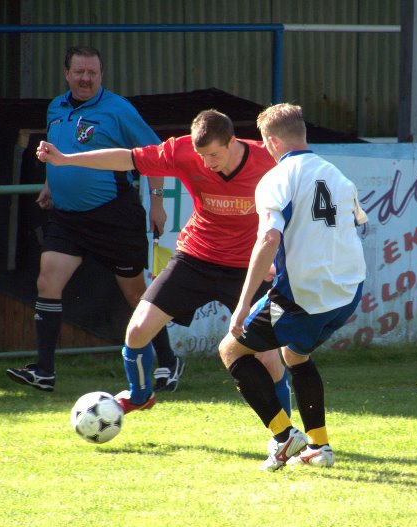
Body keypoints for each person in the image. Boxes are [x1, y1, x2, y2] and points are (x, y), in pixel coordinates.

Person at [34, 109, 292, 415]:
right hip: (196, 258)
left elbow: (300, 206)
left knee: (269, 359)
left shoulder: (270, 160)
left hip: (248, 267)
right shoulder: (183, 151)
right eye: (202, 156)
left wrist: (280, 259)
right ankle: (140, 394)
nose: (207, 164)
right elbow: (127, 158)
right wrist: (65, 159)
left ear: (233, 141)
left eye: (213, 155)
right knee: (137, 330)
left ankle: (284, 436)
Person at [7, 46, 182, 393]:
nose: (86, 79)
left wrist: (158, 205)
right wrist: (50, 184)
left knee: (136, 294)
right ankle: (44, 371)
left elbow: (157, 156)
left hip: (114, 218)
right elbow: (57, 152)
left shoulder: (118, 109)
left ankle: (168, 361)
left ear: (102, 75)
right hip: (68, 219)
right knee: (47, 282)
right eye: (79, 72)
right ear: (67, 73)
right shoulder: (55, 107)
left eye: (93, 73)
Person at [218, 103, 367, 471]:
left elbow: (269, 236)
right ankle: (319, 447)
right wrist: (287, 260)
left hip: (305, 296)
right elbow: (352, 225)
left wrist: (241, 305)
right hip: (348, 292)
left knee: (232, 350)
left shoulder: (276, 178)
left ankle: (285, 438)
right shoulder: (338, 175)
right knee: (295, 356)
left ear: (270, 141)